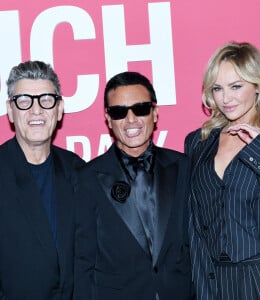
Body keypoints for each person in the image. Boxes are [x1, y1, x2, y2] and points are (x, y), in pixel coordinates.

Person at [185, 41, 260, 299]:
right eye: (217, 88)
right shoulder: (198, 142)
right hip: (213, 281)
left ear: (258, 86)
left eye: (236, 86)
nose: (226, 98)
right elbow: (193, 223)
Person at [74, 71, 194, 299]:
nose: (131, 120)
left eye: (140, 109)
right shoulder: (86, 178)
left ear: (155, 113)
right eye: (119, 112)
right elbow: (82, 262)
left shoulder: (184, 167)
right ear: (108, 119)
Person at [0, 60, 85, 299]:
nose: (36, 110)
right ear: (10, 109)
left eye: (46, 99)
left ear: (59, 109)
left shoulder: (77, 170)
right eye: (24, 101)